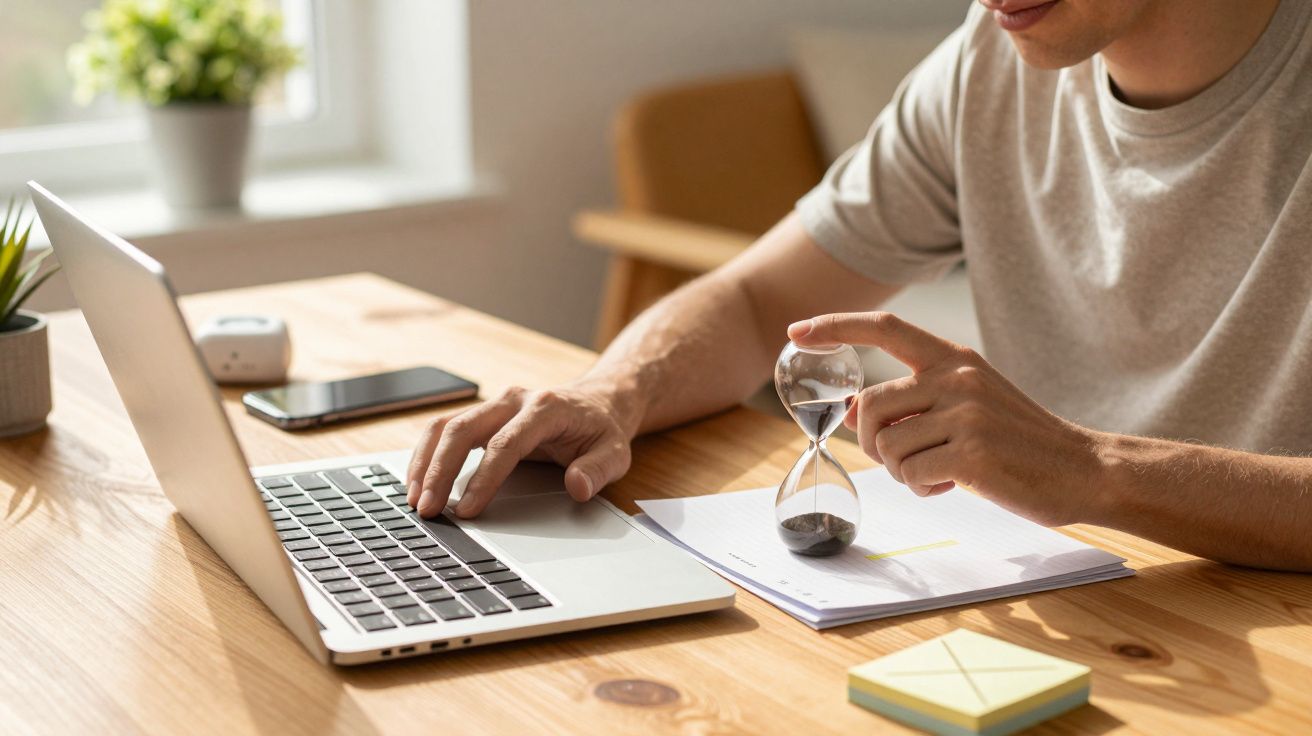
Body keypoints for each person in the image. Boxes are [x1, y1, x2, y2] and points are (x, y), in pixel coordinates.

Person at [408, 0, 1312, 572]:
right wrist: (612, 392)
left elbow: (1090, 475)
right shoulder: (987, 62)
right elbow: (761, 302)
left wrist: (1094, 471)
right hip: (1067, 606)